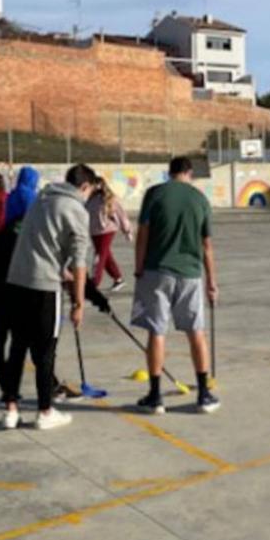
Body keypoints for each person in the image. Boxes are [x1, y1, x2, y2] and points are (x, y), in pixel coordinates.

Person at [2, 164, 95, 430]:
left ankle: (10, 408)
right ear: (85, 187)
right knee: (45, 352)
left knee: (17, 347)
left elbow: (40, 242)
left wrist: (60, 269)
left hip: (18, 280)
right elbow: (80, 261)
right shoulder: (76, 210)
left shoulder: (40, 199)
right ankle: (45, 410)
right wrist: (78, 303)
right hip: (44, 287)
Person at [131, 156, 221, 416]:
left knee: (157, 332)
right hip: (191, 274)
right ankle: (204, 394)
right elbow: (207, 245)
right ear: (189, 173)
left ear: (169, 173)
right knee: (196, 332)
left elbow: (143, 235)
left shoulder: (155, 194)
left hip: (157, 270)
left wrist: (138, 268)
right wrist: (212, 281)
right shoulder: (200, 199)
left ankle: (155, 396)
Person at [0, 166, 39, 409]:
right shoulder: (25, 236)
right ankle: (13, 391)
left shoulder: (0, 228)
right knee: (21, 341)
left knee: (0, 339)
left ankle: (7, 389)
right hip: (10, 289)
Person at [86, 176, 133, 291]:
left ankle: (94, 282)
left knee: (99, 256)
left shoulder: (109, 198)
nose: (95, 187)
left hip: (107, 230)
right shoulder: (89, 199)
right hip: (94, 231)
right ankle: (118, 279)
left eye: (97, 184)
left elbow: (121, 215)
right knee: (106, 256)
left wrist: (127, 230)